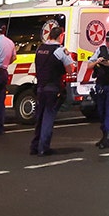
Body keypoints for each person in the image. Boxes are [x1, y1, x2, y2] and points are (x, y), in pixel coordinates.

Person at [30, 24, 74, 156]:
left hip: (40, 87)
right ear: (61, 36)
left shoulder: (40, 49)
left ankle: (34, 146)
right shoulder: (60, 51)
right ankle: (43, 147)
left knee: (40, 117)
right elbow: (70, 69)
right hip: (53, 87)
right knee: (48, 117)